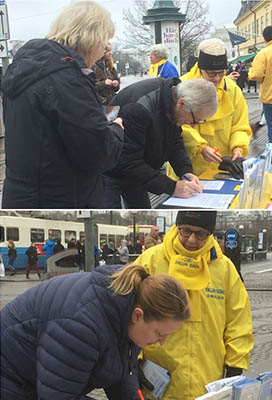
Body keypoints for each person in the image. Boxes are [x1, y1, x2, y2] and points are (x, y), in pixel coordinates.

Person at [0, 263, 189, 399]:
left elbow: (120, 373)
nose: (163, 341)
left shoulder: (128, 309)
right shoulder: (81, 325)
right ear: (138, 316)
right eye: (159, 333)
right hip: (11, 380)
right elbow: (58, 394)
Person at [0, 1, 123, 208]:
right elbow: (98, 154)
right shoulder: (68, 78)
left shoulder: (26, 68)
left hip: (21, 193)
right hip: (63, 195)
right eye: (103, 44)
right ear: (91, 39)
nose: (103, 52)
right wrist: (116, 129)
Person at [134, 211, 253, 399]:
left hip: (207, 385)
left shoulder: (224, 268)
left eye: (200, 234)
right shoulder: (151, 260)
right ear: (177, 227)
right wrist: (134, 360)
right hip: (158, 386)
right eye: (186, 231)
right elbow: (128, 313)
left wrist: (235, 367)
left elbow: (239, 321)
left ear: (210, 234)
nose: (191, 240)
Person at [104, 78, 217, 208]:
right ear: (181, 103)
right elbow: (128, 161)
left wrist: (185, 171)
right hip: (108, 168)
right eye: (195, 121)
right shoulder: (139, 108)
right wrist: (172, 187)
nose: (193, 125)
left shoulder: (172, 103)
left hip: (138, 168)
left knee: (141, 209)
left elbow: (174, 141)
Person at [167, 39, 252, 179]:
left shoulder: (232, 90)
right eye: (212, 73)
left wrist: (239, 147)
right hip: (188, 166)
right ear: (201, 69)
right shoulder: (182, 86)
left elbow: (240, 125)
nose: (217, 78)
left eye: (221, 72)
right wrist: (201, 147)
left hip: (221, 167)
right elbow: (178, 126)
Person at [248, 25, 272, 162]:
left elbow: (255, 75)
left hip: (271, 96)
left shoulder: (264, 53)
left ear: (265, 38)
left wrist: (251, 72)